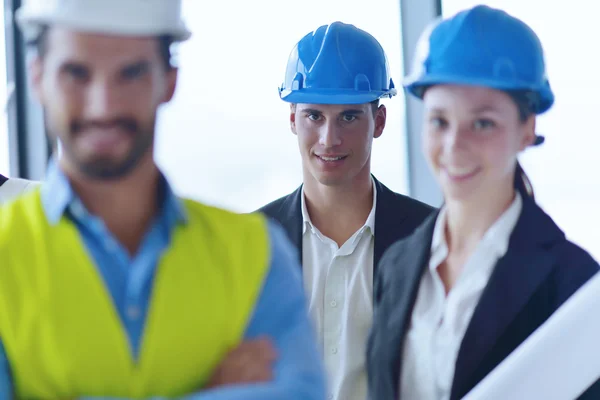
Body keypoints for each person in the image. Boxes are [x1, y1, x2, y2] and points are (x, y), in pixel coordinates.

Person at [0, 0, 326, 398]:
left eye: (130, 73)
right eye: (76, 73)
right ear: (37, 79)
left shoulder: (253, 251)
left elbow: (298, 392)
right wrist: (207, 388)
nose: (103, 105)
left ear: (169, 81)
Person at [366, 5, 600, 400]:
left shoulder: (575, 285)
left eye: (483, 123)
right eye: (440, 121)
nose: (455, 145)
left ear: (527, 129)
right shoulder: (397, 264)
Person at [257, 22, 435, 400]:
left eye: (349, 117)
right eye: (314, 116)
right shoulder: (251, 244)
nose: (329, 138)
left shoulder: (429, 239)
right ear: (293, 119)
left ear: (379, 122)